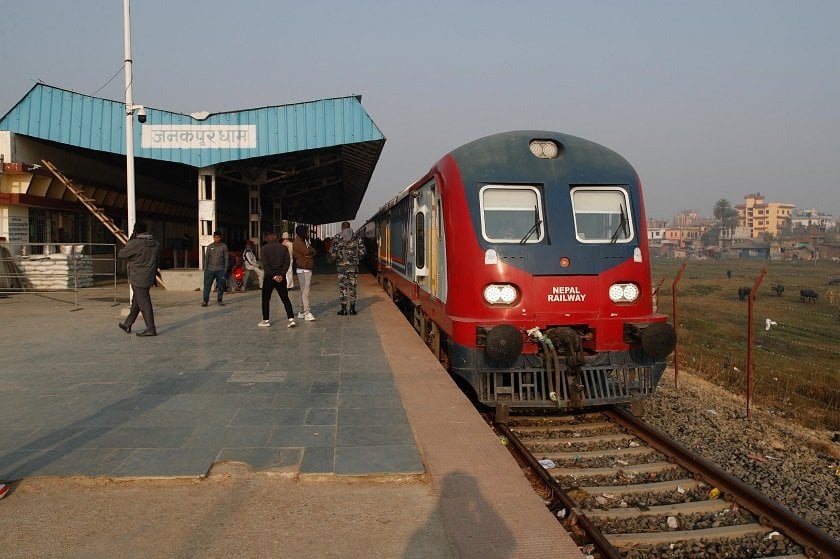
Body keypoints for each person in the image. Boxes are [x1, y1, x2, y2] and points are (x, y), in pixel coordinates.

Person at [117, 221, 161, 336]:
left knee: (144, 303)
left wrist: (130, 241)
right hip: (149, 276)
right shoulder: (155, 243)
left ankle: (151, 328)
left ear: (135, 230)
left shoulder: (135, 243)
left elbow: (121, 254)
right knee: (137, 301)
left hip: (138, 276)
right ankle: (128, 324)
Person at [258, 231, 296, 328]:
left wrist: (274, 276)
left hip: (269, 277)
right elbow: (287, 262)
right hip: (281, 277)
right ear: (275, 237)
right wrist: (281, 274)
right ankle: (291, 318)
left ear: (266, 239)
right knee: (285, 297)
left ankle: (266, 320)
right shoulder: (283, 248)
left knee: (266, 299)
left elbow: (265, 264)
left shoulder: (263, 249)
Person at [329, 221, 366, 315]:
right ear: (350, 227)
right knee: (352, 287)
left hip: (341, 268)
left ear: (342, 228)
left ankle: (344, 309)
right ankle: (352, 309)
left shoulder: (337, 237)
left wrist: (338, 259)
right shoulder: (356, 237)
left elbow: (332, 253)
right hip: (353, 267)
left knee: (343, 288)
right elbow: (363, 252)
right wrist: (356, 259)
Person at [293, 224, 317, 321]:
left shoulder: (303, 241)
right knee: (305, 291)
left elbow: (313, 251)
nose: (308, 233)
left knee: (303, 291)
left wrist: (312, 251)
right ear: (302, 232)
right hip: (304, 269)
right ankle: (307, 312)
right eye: (306, 232)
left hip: (305, 268)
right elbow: (307, 252)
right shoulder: (298, 242)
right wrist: (311, 251)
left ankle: (301, 311)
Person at [202, 231, 228, 307]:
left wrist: (225, 268)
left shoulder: (224, 246)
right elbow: (206, 258)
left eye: (218, 237)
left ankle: (220, 300)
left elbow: (226, 258)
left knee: (221, 286)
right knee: (207, 286)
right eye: (215, 237)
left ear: (220, 238)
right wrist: (205, 268)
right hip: (209, 270)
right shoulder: (210, 246)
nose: (216, 239)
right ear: (213, 237)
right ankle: (205, 301)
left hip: (220, 270)